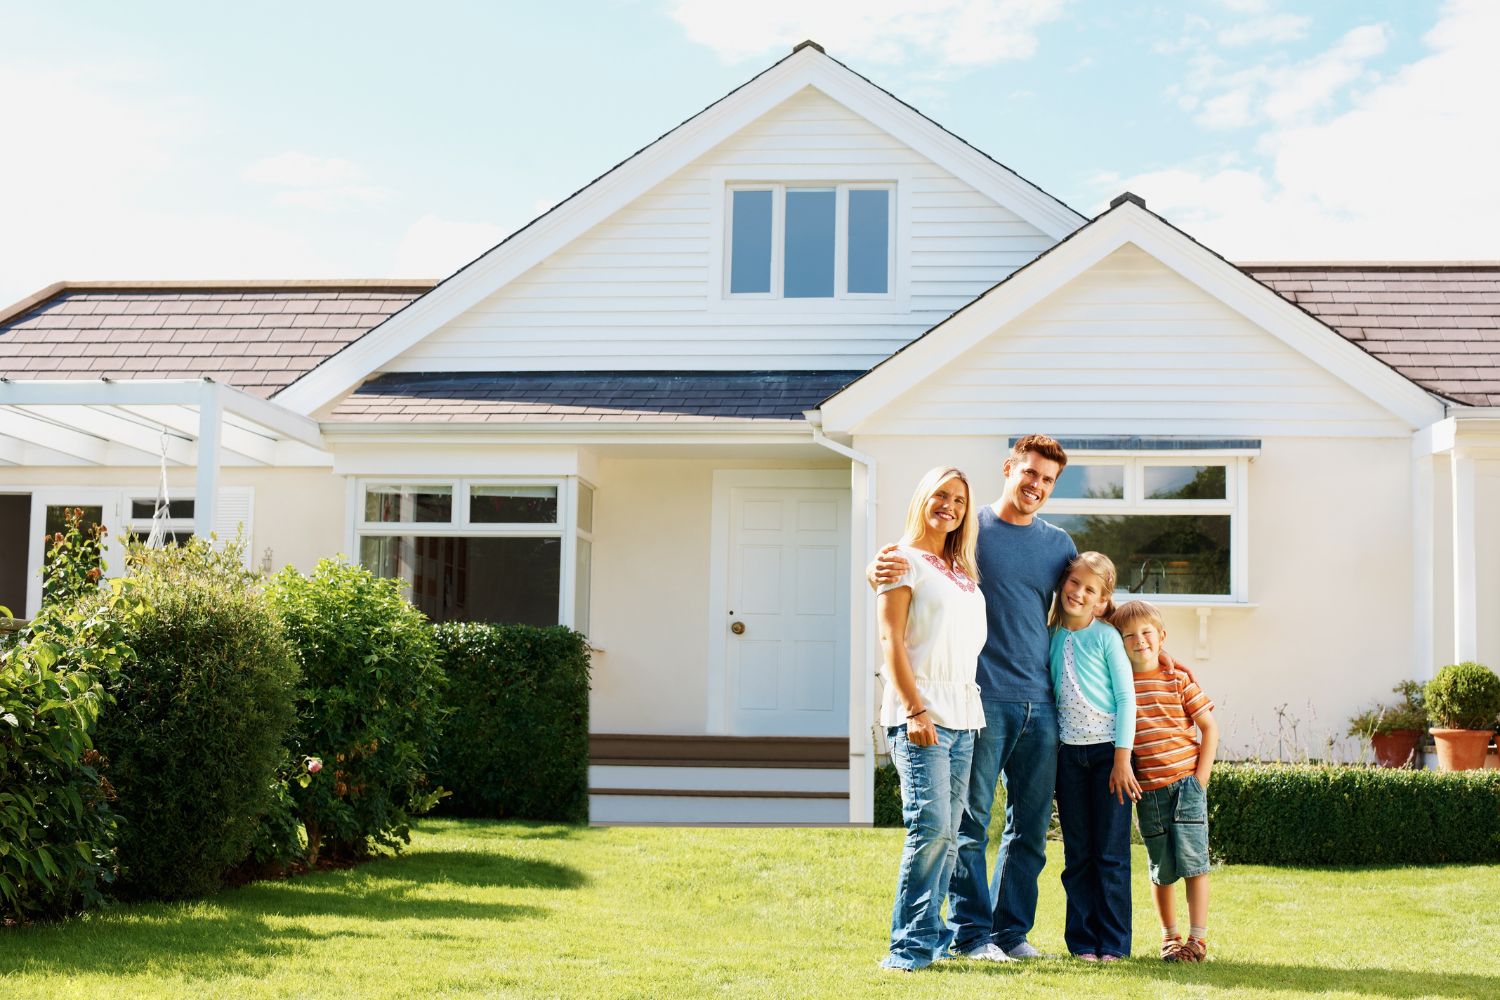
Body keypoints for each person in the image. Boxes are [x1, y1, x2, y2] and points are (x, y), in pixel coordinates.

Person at [870, 435, 1076, 961]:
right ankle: (968, 934)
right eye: (1028, 473)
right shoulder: (968, 531)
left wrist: (1147, 649)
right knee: (963, 826)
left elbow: (1084, 606)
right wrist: (879, 568)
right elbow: (905, 577)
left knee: (1027, 830)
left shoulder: (1053, 546)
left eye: (1047, 479)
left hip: (1033, 703)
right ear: (1009, 469)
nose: (1036, 485)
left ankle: (1010, 935)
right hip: (980, 702)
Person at [877, 466, 988, 972]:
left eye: (960, 501)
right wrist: (915, 708)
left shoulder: (959, 569)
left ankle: (933, 938)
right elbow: (891, 641)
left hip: (963, 715)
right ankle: (908, 949)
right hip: (921, 713)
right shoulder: (900, 560)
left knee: (948, 839)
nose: (950, 506)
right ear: (922, 497)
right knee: (930, 830)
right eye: (941, 495)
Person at [1110, 600, 1220, 963]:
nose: (1139, 641)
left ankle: (1197, 940)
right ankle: (1170, 937)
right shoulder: (1120, 683)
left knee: (1194, 863)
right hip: (1149, 792)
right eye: (1129, 636)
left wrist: (1199, 782)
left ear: (1161, 637)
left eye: (1146, 633)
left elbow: (1209, 729)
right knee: (1161, 868)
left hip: (1185, 785)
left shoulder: (1177, 678)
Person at [1048, 552, 1138, 962]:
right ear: (1063, 583)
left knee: (1111, 854)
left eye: (1090, 590)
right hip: (1070, 758)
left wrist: (1122, 759)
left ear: (1102, 601)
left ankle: (1115, 944)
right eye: (1074, 583)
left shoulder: (1105, 637)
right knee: (1078, 853)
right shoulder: (1050, 634)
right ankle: (1083, 942)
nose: (1078, 593)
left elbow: (1126, 698)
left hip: (1109, 758)